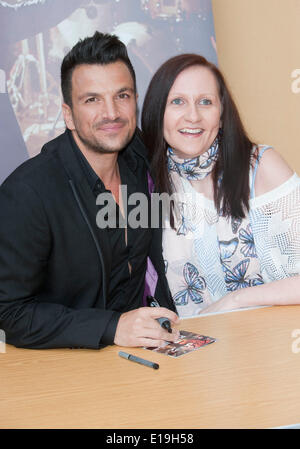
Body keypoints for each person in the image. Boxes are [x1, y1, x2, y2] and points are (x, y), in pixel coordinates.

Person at [0, 31, 179, 349]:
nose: (111, 113)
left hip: (146, 355)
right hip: (68, 368)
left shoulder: (140, 155)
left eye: (122, 95)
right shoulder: (28, 194)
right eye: (92, 99)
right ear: (68, 114)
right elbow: (10, 312)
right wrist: (112, 327)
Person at [141, 53, 300, 317]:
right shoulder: (148, 185)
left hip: (280, 340)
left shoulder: (261, 166)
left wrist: (235, 300)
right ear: (158, 112)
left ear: (222, 114)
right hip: (198, 352)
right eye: (178, 101)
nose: (193, 116)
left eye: (205, 102)